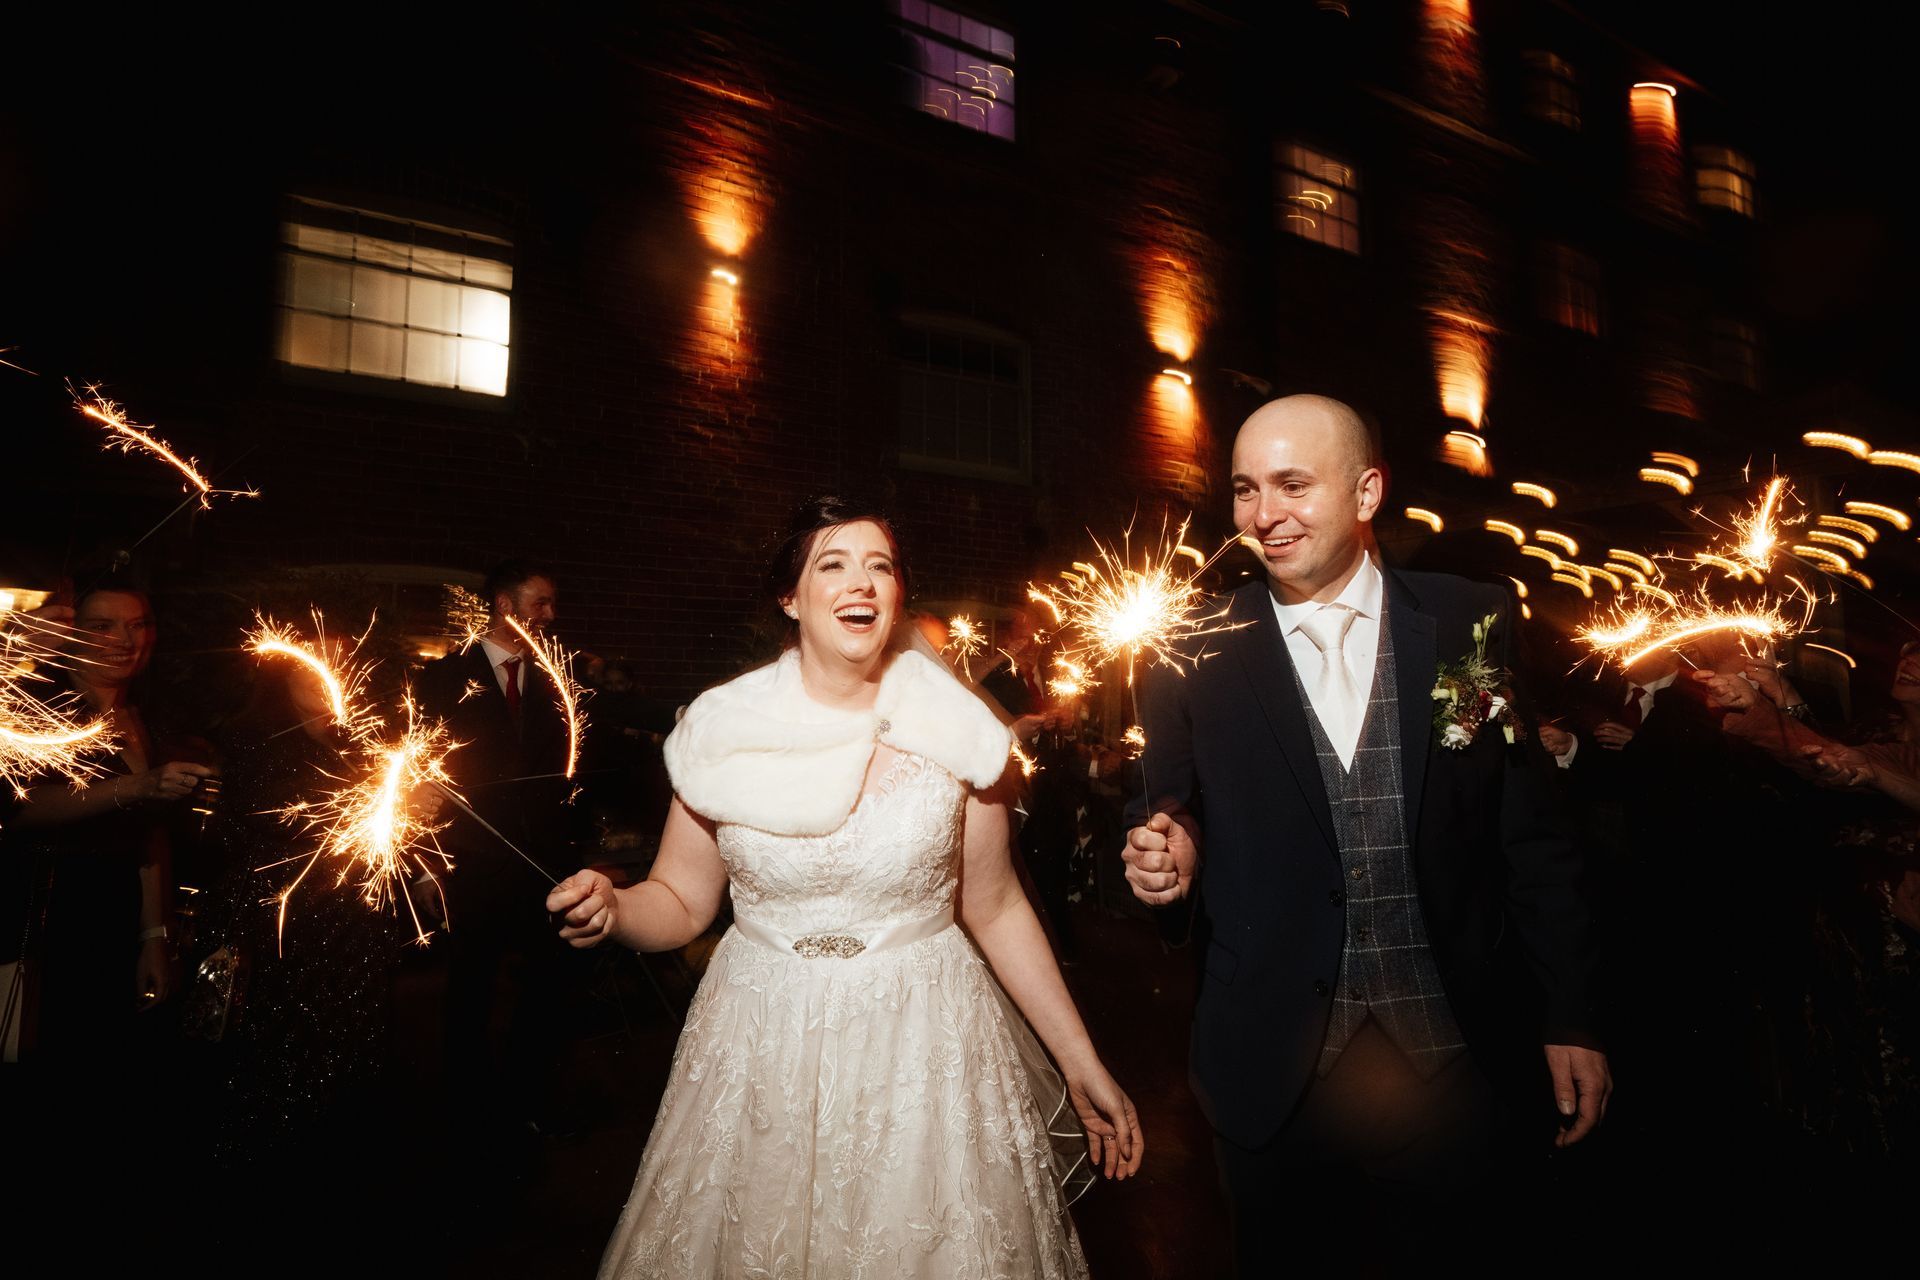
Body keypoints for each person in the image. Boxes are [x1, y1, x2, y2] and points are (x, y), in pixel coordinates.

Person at [548, 496, 1141, 1279]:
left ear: (897, 594)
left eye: (880, 566)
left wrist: (1079, 1060)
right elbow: (683, 903)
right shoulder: (724, 730)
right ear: (790, 598)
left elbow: (995, 907)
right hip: (762, 1045)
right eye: (833, 563)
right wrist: (617, 908)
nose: (860, 582)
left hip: (924, 1046)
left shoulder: (956, 728)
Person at [1120, 395, 1607, 1270]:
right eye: (1243, 490)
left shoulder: (1468, 622)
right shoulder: (1189, 646)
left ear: (1368, 491)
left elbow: (1526, 834)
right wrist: (1170, 857)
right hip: (1274, 1076)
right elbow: (1164, 809)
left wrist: (1570, 1015)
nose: (1263, 516)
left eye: (1292, 485)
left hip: (1458, 1062)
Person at [416, 562, 586, 1140]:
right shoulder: (441, 679)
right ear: (503, 604)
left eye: (552, 604)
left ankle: (525, 1100)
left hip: (543, 863)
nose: (550, 617)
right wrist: (428, 864)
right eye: (540, 604)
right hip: (473, 862)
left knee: (545, 985)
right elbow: (420, 777)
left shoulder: (558, 682)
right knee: (470, 984)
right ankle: (463, 1106)